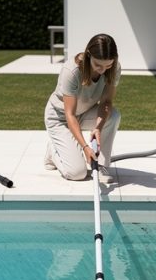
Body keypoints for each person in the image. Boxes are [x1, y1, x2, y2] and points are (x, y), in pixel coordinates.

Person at [43, 33, 122, 182]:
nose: (103, 70)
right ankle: (53, 150)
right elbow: (70, 115)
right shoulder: (71, 71)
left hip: (84, 113)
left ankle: (101, 166)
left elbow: (106, 102)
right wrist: (86, 147)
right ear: (88, 56)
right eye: (98, 65)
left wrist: (98, 127)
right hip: (60, 118)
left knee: (114, 116)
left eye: (108, 65)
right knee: (77, 174)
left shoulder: (114, 68)